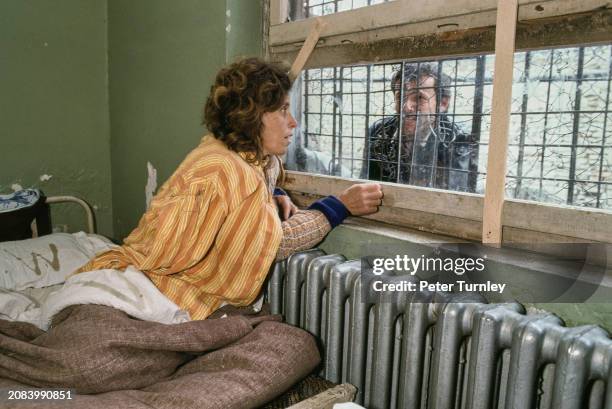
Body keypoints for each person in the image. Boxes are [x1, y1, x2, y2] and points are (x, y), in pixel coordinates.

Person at [78, 58, 383, 320]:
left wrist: (273, 195)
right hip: (149, 286)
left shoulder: (245, 156)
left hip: (153, 281)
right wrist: (339, 207)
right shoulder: (226, 167)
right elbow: (273, 244)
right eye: (282, 111)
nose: (293, 122)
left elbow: (240, 201)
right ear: (251, 117)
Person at [364, 63, 478, 192]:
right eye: (400, 97)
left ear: (443, 103)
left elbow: (456, 199)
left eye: (419, 97)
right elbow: (368, 184)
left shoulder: (459, 139)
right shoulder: (380, 131)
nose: (406, 107)